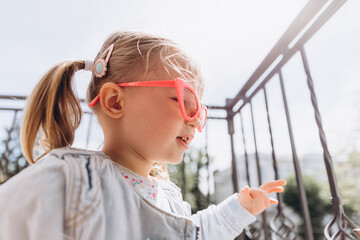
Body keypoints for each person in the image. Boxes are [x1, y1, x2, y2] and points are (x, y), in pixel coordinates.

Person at [0, 31, 286, 240]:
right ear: (116, 102)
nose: (197, 119)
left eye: (200, 110)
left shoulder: (169, 196)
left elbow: (195, 234)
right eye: (185, 101)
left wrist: (238, 209)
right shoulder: (71, 177)